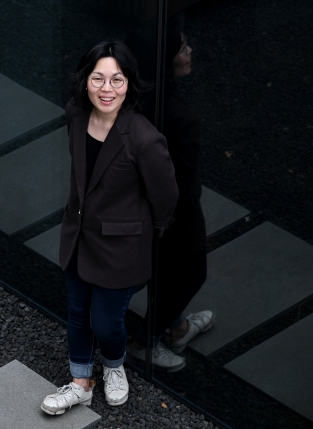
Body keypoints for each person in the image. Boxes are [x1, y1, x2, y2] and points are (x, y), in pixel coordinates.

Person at [40, 40, 178, 415]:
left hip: (122, 247)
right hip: (78, 237)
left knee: (106, 320)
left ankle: (114, 365)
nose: (107, 88)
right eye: (98, 78)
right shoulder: (75, 115)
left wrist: (145, 233)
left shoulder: (145, 140)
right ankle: (80, 382)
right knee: (77, 312)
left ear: (129, 84)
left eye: (117, 80)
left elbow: (166, 197)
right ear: (85, 81)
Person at [125, 25, 213, 371]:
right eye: (182, 47)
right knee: (190, 273)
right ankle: (144, 341)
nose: (189, 51)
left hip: (135, 200)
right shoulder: (179, 117)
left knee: (161, 269)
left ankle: (175, 328)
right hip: (173, 209)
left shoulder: (129, 96)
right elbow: (183, 178)